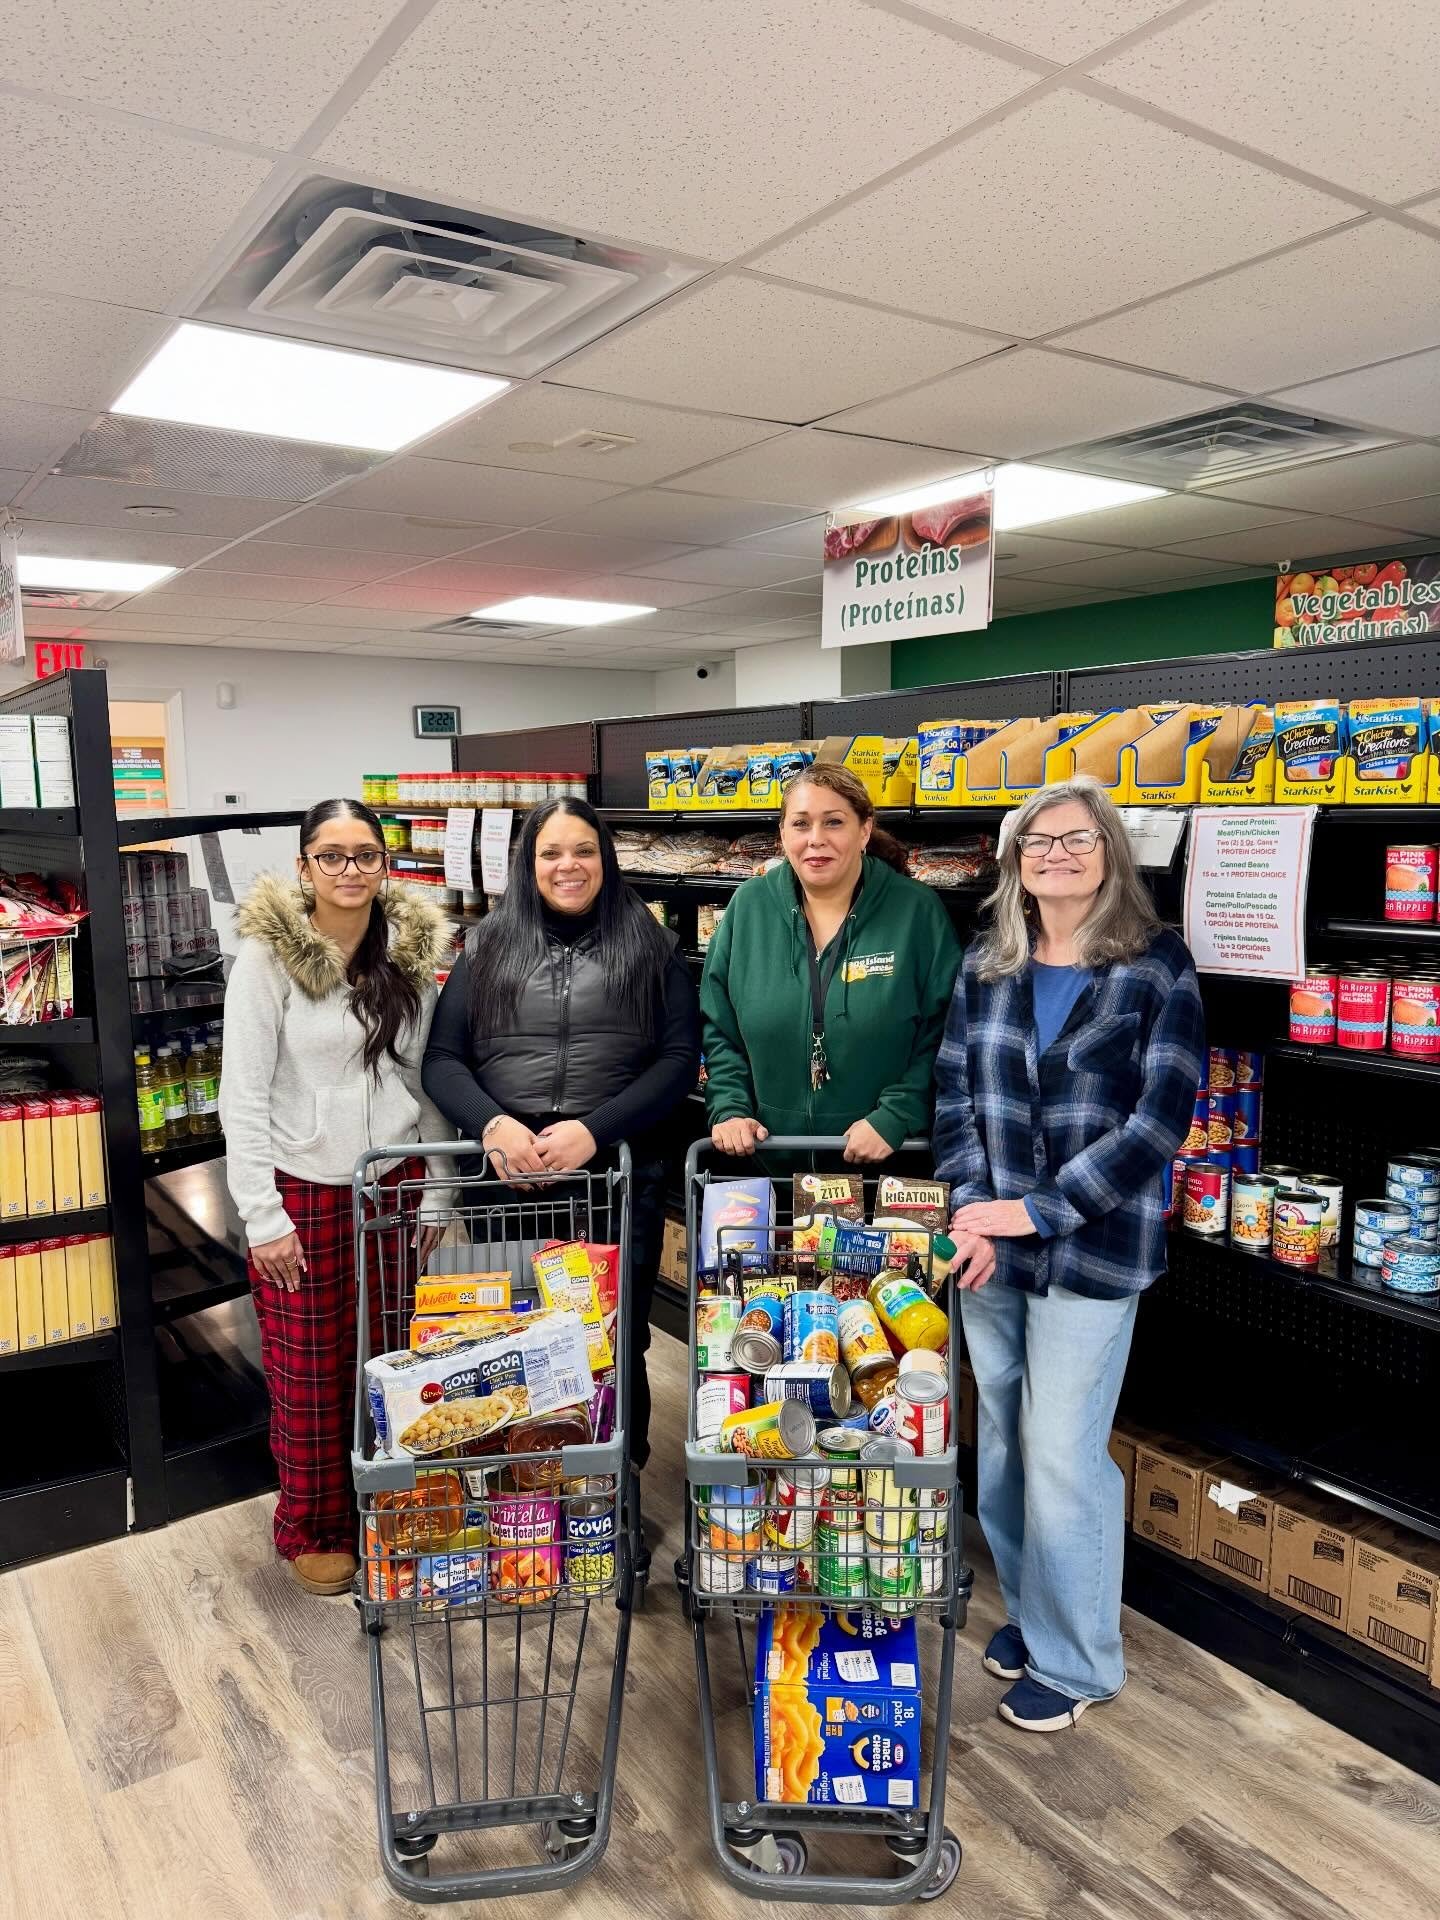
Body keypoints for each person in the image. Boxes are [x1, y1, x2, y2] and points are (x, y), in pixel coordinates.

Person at [933, 774, 1205, 1733]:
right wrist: (972, 1209)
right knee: (1002, 1441)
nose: (1056, 855)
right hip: (990, 1253)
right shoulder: (990, 961)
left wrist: (1035, 1212)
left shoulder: (1155, 966)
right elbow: (955, 1096)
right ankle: (1034, 1611)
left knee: (1061, 1453)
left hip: (1093, 1253)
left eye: (1077, 839)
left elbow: (1158, 1122)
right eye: (1038, 841)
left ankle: (1082, 1661)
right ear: (1016, 860)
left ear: (1111, 854)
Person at [421, 797, 699, 1513]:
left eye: (583, 851)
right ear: (528, 863)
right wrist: (494, 1126)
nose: (567, 866)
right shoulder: (487, 945)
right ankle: (523, 1490)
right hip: (507, 1180)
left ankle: (614, 1487)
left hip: (610, 1177)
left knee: (614, 1338)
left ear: (604, 859)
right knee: (512, 1333)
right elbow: (443, 1060)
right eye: (551, 853)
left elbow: (676, 1062)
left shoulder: (650, 944)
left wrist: (594, 1131)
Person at [219, 798, 454, 1596]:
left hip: (393, 1187)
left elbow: (424, 1085)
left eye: (365, 855)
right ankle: (315, 1523)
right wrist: (262, 1216)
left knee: (391, 1358)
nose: (349, 870)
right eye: (332, 856)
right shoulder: (266, 958)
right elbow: (241, 1095)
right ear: (304, 866)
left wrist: (439, 1193)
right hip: (303, 1194)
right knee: (310, 1372)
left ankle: (384, 1508)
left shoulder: (409, 956)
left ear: (385, 864)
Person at [701, 762, 960, 1162]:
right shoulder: (748, 908)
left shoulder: (916, 912)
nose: (816, 840)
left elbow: (946, 1032)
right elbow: (720, 1028)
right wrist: (730, 1106)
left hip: (884, 1162)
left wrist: (898, 1113)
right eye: (801, 824)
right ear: (782, 834)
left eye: (834, 822)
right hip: (768, 1160)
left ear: (865, 830)